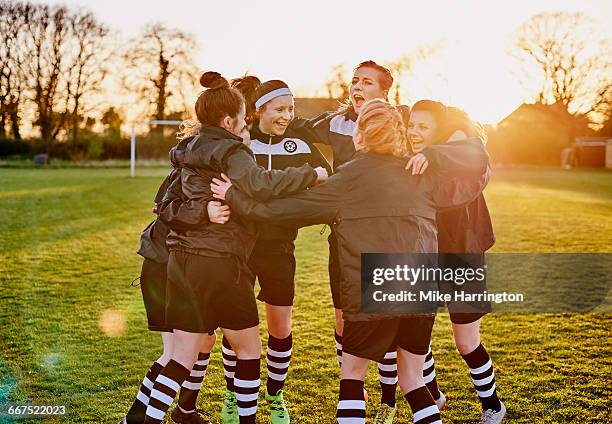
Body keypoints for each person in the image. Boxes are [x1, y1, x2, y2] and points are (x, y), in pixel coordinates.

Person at [211, 99, 489, 423]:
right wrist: (434, 154)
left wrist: (233, 195)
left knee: (353, 377)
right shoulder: (421, 172)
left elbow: (278, 212)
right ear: (398, 133)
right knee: (413, 380)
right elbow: (478, 159)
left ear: (359, 136)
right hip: (419, 293)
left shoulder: (347, 180)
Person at [141, 71, 327, 424]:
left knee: (182, 355)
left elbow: (164, 204)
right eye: (243, 116)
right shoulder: (232, 149)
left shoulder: (185, 148)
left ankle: (149, 420)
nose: (247, 123)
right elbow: (260, 183)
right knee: (249, 350)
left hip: (181, 260)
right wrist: (311, 174)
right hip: (222, 260)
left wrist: (201, 210)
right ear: (229, 120)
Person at [213, 79, 331, 424]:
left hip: (280, 246)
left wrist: (290, 204)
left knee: (280, 328)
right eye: (280, 109)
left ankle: (275, 396)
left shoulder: (301, 143)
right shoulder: (240, 145)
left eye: (291, 109)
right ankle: (233, 394)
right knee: (235, 326)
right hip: (239, 246)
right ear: (259, 110)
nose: (287, 116)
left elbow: (326, 180)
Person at [293, 60, 404, 421]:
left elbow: (434, 142)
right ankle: (354, 381)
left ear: (384, 91)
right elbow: (295, 127)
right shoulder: (336, 122)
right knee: (343, 318)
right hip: (344, 236)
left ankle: (389, 400)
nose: (357, 86)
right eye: (355, 81)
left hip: (386, 238)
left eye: (367, 82)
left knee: (383, 318)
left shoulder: (399, 121)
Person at [119, 123, 232, 424]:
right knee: (176, 355)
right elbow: (167, 213)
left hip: (166, 266)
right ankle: (138, 420)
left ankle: (150, 417)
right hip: (166, 268)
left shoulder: (186, 169)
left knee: (178, 353)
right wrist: (206, 211)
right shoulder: (191, 176)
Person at [407, 100, 505, 424]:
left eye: (424, 127)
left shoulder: (463, 154)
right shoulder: (411, 158)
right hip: (422, 257)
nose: (415, 132)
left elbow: (473, 156)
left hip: (462, 257)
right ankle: (433, 395)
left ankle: (493, 406)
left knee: (466, 340)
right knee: (415, 334)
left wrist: (432, 155)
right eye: (412, 125)